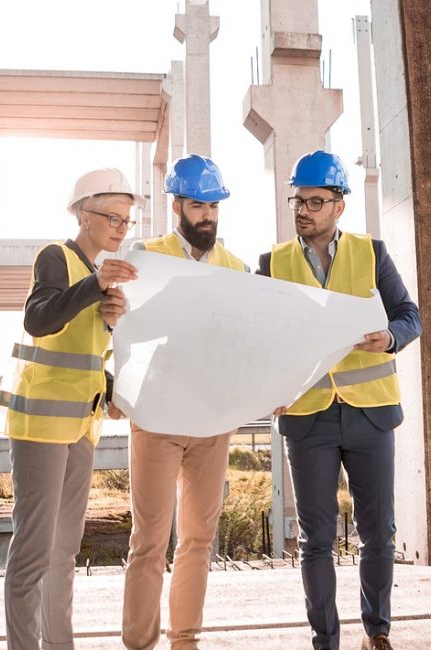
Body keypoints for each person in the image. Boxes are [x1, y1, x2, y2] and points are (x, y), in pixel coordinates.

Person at [257, 150, 422, 650]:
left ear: (338, 206)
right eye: (298, 201)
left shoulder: (371, 254)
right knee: (316, 541)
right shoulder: (272, 263)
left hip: (370, 413)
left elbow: (409, 316)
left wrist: (389, 337)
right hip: (308, 418)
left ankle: (378, 631)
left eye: (315, 201)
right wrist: (267, 389)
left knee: (378, 533)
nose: (303, 209)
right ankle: (325, 640)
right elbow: (258, 338)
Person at [0, 167, 141, 650]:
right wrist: (93, 288)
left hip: (81, 426)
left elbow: (84, 357)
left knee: (63, 552)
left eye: (127, 219)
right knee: (34, 552)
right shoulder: (57, 257)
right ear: (83, 214)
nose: (121, 226)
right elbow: (39, 320)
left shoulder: (97, 276)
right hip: (40, 425)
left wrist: (114, 388)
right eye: (112, 216)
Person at [121, 154, 250, 650]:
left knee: (197, 540)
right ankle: (138, 643)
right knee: (149, 541)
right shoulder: (145, 256)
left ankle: (185, 641)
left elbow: (249, 339)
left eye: (215, 206)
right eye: (199, 205)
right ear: (178, 205)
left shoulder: (235, 268)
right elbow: (121, 330)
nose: (209, 216)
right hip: (157, 417)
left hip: (213, 421)